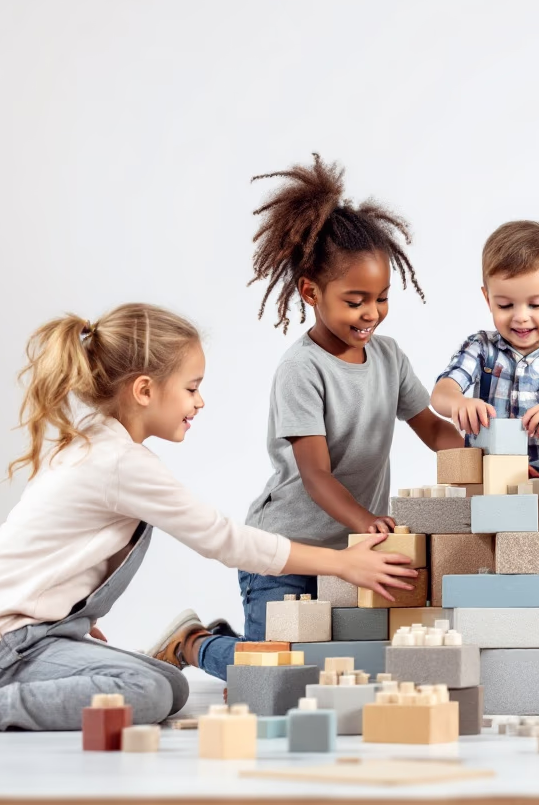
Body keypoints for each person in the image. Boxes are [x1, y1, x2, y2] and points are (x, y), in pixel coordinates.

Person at [0, 304, 416, 734]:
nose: (200, 401)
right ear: (144, 390)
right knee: (153, 693)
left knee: (170, 684)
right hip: (2, 643)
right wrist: (342, 563)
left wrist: (64, 616)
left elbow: (44, 550)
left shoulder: (98, 443)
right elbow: (224, 541)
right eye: (191, 387)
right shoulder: (121, 462)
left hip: (21, 632)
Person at [148, 156, 462, 679]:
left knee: (347, 671)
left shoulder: (388, 357)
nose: (371, 314)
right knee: (281, 673)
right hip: (286, 555)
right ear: (311, 292)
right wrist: (365, 520)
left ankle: (230, 641)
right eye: (355, 301)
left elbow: (431, 426)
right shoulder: (302, 369)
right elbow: (315, 474)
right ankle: (195, 644)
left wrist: (479, 465)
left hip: (352, 556)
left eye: (381, 299)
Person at [431, 220, 539, 475]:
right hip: (486, 481)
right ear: (488, 299)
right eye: (505, 305)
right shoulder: (480, 348)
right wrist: (458, 402)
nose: (521, 317)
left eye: (535, 304)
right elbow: (441, 393)